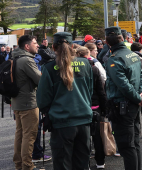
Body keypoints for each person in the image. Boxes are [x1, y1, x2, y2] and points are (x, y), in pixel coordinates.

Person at [37, 32, 93, 170]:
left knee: (63, 165)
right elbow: (90, 90)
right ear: (73, 46)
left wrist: (49, 112)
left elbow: (42, 99)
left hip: (62, 122)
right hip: (84, 120)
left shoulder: (49, 68)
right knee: (82, 164)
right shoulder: (86, 63)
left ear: (53, 47)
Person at [104, 26, 142, 170]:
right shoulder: (132, 55)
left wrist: (138, 98)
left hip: (123, 107)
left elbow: (123, 85)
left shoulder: (114, 59)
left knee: (127, 147)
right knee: (134, 144)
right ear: (122, 38)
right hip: (133, 105)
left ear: (106, 42)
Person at [11, 35, 42, 170]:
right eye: (35, 43)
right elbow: (40, 80)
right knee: (29, 136)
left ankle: (19, 165)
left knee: (20, 135)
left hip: (17, 102)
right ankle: (28, 166)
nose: (38, 45)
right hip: (28, 103)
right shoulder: (26, 60)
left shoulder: (15, 57)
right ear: (27, 46)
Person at [76, 46, 107, 168]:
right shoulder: (94, 69)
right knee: (98, 136)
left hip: (81, 107)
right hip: (95, 106)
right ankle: (100, 162)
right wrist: (104, 108)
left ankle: (85, 163)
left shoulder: (71, 69)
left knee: (83, 137)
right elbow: (101, 91)